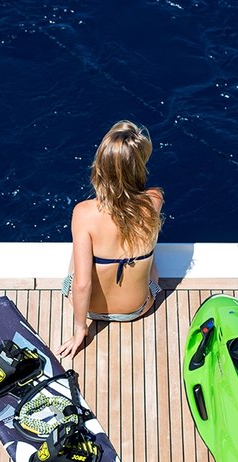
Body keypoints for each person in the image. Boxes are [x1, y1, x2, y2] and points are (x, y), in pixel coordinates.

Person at [56, 120, 164, 359]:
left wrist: (80, 330)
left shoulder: (84, 213)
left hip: (88, 310)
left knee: (77, 256)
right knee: (151, 259)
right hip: (138, 308)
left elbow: (81, 285)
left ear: (100, 166)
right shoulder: (155, 200)